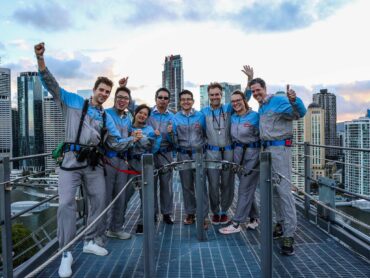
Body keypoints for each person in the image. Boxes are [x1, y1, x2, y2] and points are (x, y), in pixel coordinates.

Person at [34, 42, 140, 278]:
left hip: (93, 164)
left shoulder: (104, 116)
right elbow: (51, 85)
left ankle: (91, 240)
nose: (103, 94)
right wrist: (41, 60)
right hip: (70, 163)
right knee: (66, 204)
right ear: (94, 89)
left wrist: (132, 139)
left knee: (99, 200)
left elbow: (113, 140)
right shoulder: (72, 101)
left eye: (107, 92)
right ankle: (66, 253)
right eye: (101, 90)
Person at [249, 78, 306, 255]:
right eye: (254, 91)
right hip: (266, 150)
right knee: (273, 191)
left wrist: (294, 99)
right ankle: (280, 224)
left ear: (265, 88)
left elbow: (299, 113)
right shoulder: (263, 106)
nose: (256, 93)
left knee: (283, 191)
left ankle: (289, 234)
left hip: (280, 150)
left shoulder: (278, 100)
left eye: (258, 90)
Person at [201, 66, 253, 225]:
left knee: (228, 183)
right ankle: (215, 211)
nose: (215, 97)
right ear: (208, 96)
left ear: (221, 95)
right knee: (213, 183)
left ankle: (224, 211)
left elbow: (245, 98)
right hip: (212, 152)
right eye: (212, 95)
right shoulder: (203, 112)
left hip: (229, 151)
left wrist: (250, 79)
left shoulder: (228, 108)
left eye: (217, 94)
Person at [101, 83, 140, 243]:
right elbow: (112, 142)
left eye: (125, 98)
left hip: (123, 160)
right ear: (114, 98)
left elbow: (131, 135)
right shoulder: (106, 114)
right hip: (108, 160)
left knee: (120, 196)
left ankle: (116, 228)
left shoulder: (127, 117)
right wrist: (132, 139)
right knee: (104, 198)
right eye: (119, 97)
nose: (122, 100)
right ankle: (99, 232)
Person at [219, 90, 260, 234]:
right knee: (247, 188)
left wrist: (249, 81)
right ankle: (254, 218)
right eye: (233, 101)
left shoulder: (255, 116)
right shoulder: (233, 117)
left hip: (252, 155)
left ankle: (237, 222)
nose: (236, 103)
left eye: (239, 100)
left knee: (244, 188)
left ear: (245, 100)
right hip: (237, 155)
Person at [167, 90, 209, 228]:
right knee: (187, 186)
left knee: (201, 186)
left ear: (193, 101)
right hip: (183, 154)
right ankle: (190, 213)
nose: (186, 101)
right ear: (180, 102)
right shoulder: (174, 118)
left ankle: (203, 216)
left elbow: (206, 134)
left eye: (188, 99)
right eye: (183, 99)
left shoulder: (201, 116)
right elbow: (172, 139)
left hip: (199, 154)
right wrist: (169, 133)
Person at [128, 104, 161, 234]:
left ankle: (144, 221)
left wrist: (152, 137)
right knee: (125, 194)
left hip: (145, 163)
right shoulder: (127, 127)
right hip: (129, 163)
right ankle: (115, 224)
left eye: (145, 114)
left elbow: (153, 147)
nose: (142, 115)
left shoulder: (149, 130)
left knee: (146, 195)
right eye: (140, 112)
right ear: (135, 113)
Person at [147, 88, 175, 224]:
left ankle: (167, 213)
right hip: (150, 154)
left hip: (166, 154)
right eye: (160, 97)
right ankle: (152, 213)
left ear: (169, 101)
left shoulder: (172, 117)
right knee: (151, 186)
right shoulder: (148, 114)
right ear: (155, 98)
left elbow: (175, 139)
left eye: (165, 98)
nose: (162, 100)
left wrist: (171, 134)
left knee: (166, 186)